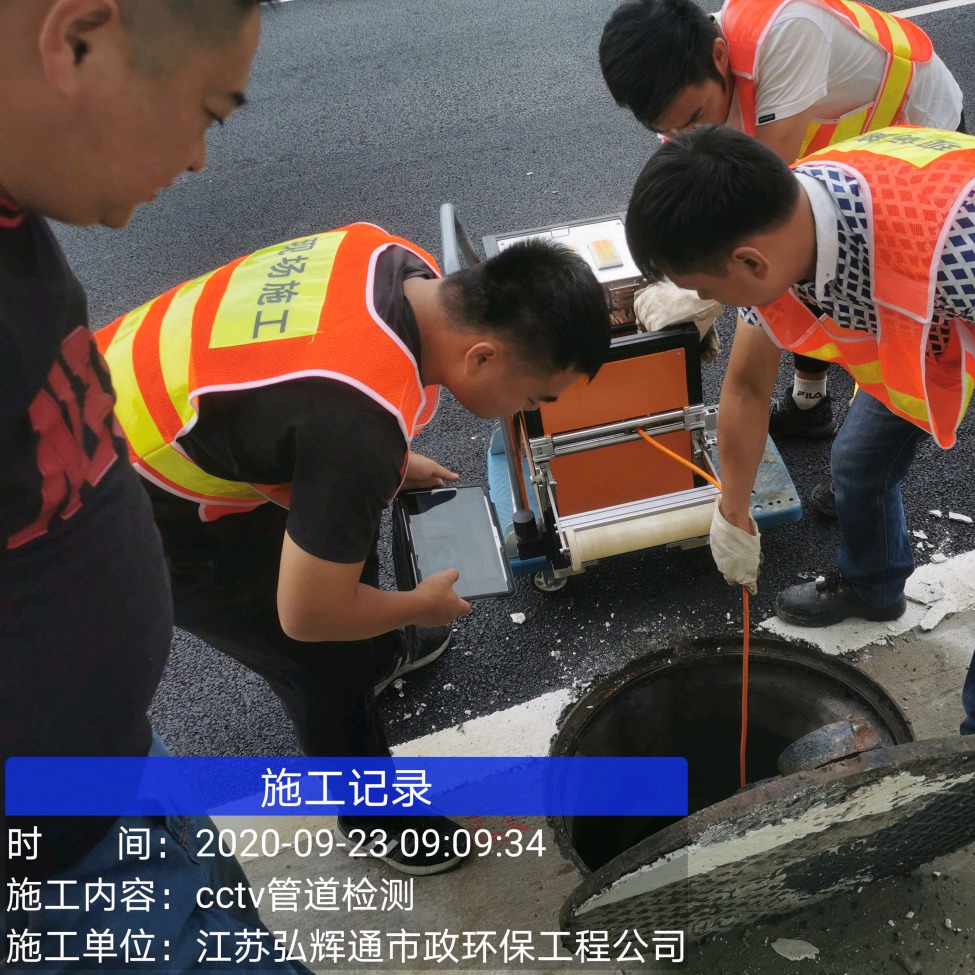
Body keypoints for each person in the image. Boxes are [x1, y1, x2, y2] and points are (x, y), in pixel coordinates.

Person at [93, 226, 611, 873]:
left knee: (347, 536)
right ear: (481, 357)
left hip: (125, 391)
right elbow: (304, 614)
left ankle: (376, 652)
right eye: (534, 396)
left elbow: (303, 391)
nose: (529, 410)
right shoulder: (357, 428)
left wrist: (381, 465)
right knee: (322, 659)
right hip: (116, 498)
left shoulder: (393, 260)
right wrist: (414, 605)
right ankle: (372, 815)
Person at [625, 125, 975, 747]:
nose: (707, 301)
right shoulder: (780, 228)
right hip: (934, 317)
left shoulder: (957, 246)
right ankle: (874, 583)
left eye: (706, 288)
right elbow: (748, 388)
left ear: (751, 263)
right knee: (859, 463)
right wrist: (733, 510)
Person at [0, 1, 316, 970]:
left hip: (123, 783)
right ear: (76, 39)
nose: (199, 160)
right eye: (210, 111)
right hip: (59, 885)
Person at [601, 0, 964, 453]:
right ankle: (810, 404)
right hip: (836, 150)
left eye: (693, 119)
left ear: (718, 56)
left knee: (873, 291)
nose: (684, 133)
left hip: (915, 135)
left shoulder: (787, 34)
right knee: (800, 268)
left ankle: (865, 456)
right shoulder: (683, 96)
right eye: (669, 129)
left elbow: (761, 209)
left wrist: (696, 286)